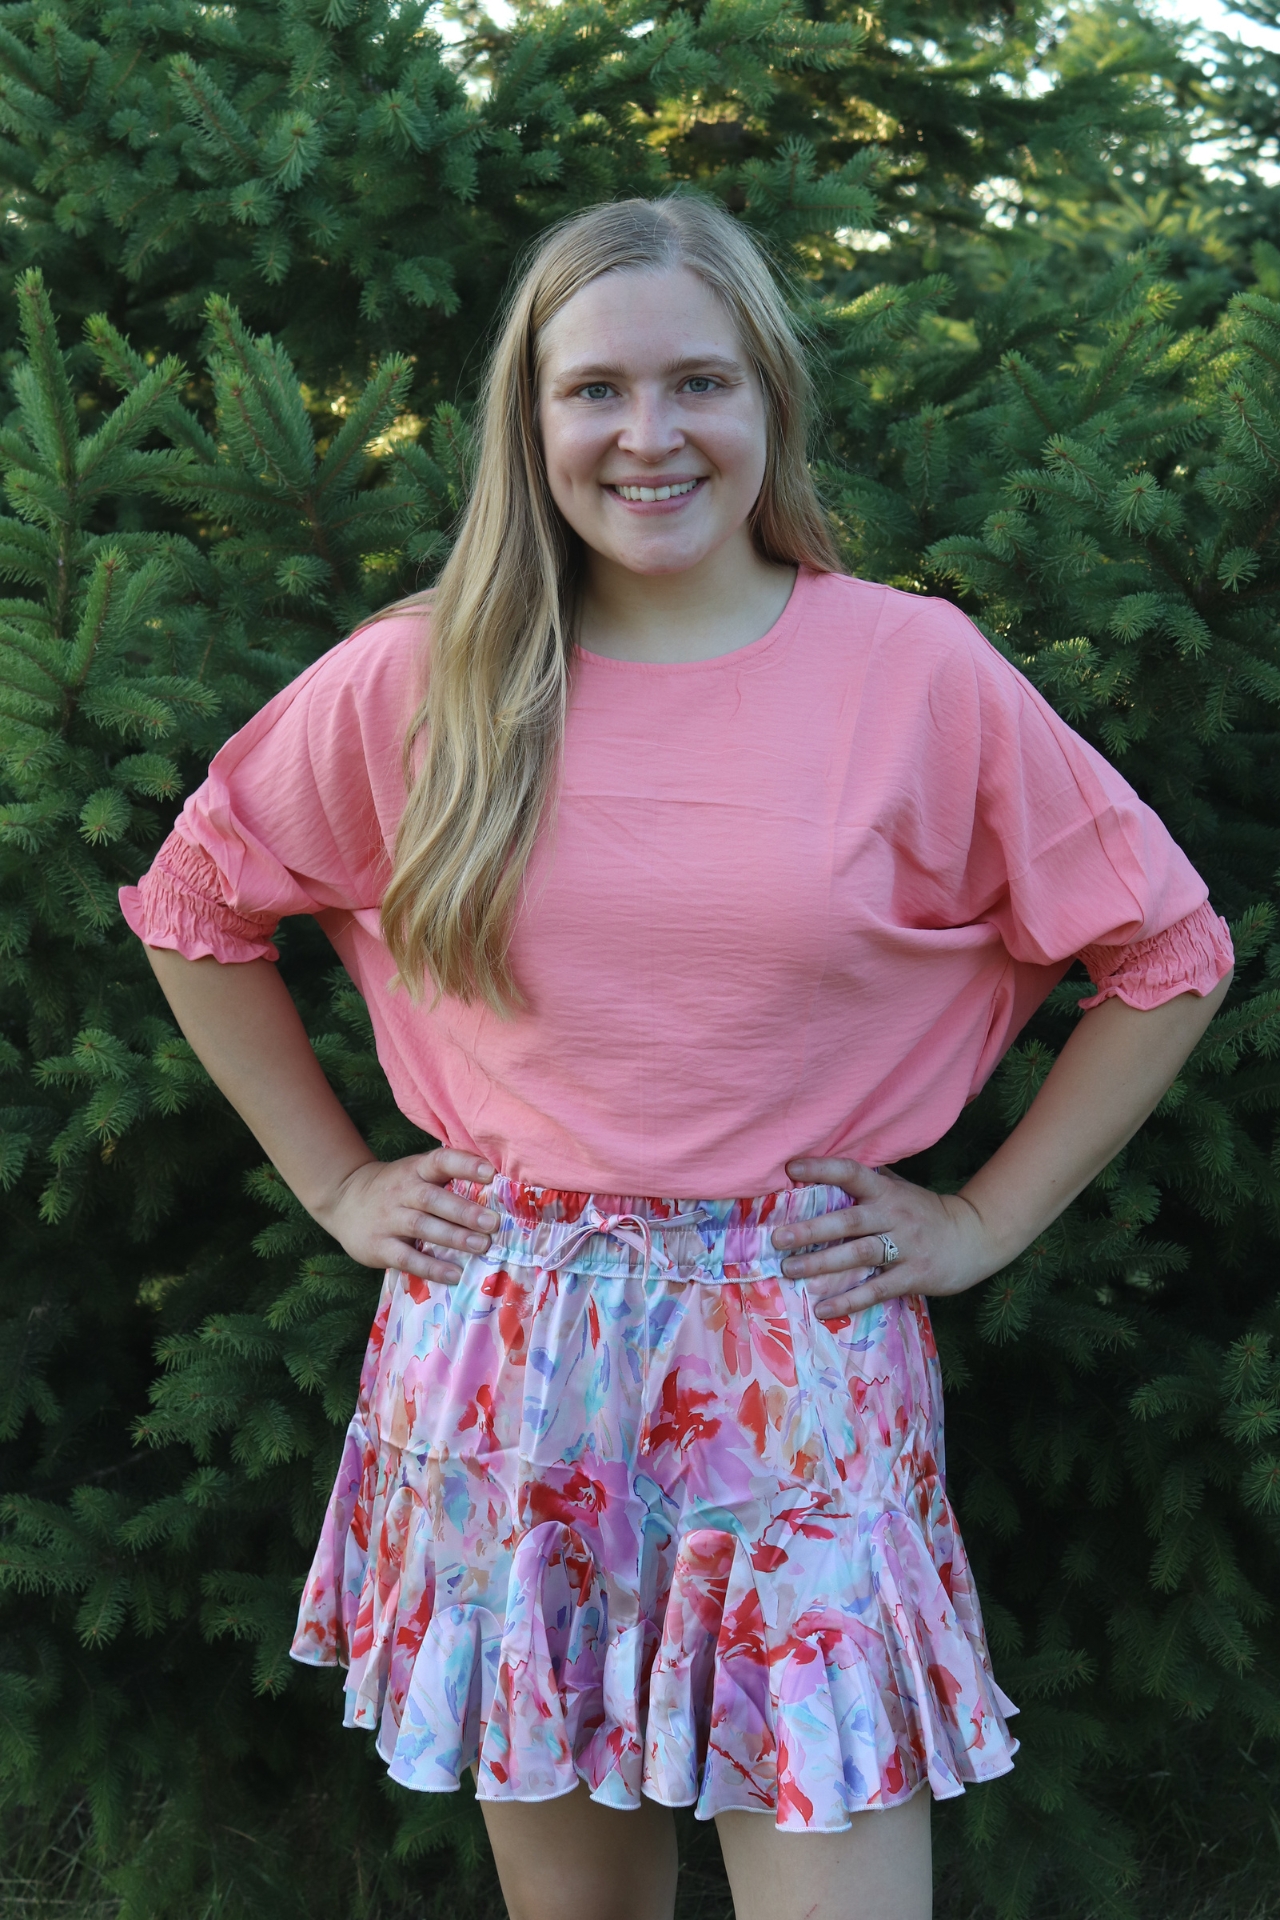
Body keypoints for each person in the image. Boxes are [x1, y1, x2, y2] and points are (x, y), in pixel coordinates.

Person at [120, 196, 1234, 1920]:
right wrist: (338, 1182)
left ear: (770, 400)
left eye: (698, 381)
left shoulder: (910, 671)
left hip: (798, 1360)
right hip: (506, 1367)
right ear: (530, 419)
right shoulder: (427, 681)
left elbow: (1168, 950)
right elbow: (195, 901)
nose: (649, 436)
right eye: (595, 391)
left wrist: (983, 1223)